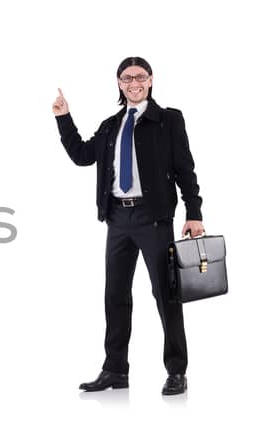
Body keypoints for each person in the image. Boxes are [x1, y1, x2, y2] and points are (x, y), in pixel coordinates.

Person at [53, 56, 205, 396]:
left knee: (166, 295)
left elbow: (185, 170)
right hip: (118, 219)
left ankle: (176, 371)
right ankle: (115, 370)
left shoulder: (167, 120)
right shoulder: (111, 125)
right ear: (119, 83)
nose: (133, 83)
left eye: (139, 76)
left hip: (153, 218)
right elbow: (82, 155)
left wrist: (194, 212)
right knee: (115, 295)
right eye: (126, 78)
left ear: (150, 80)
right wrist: (64, 118)